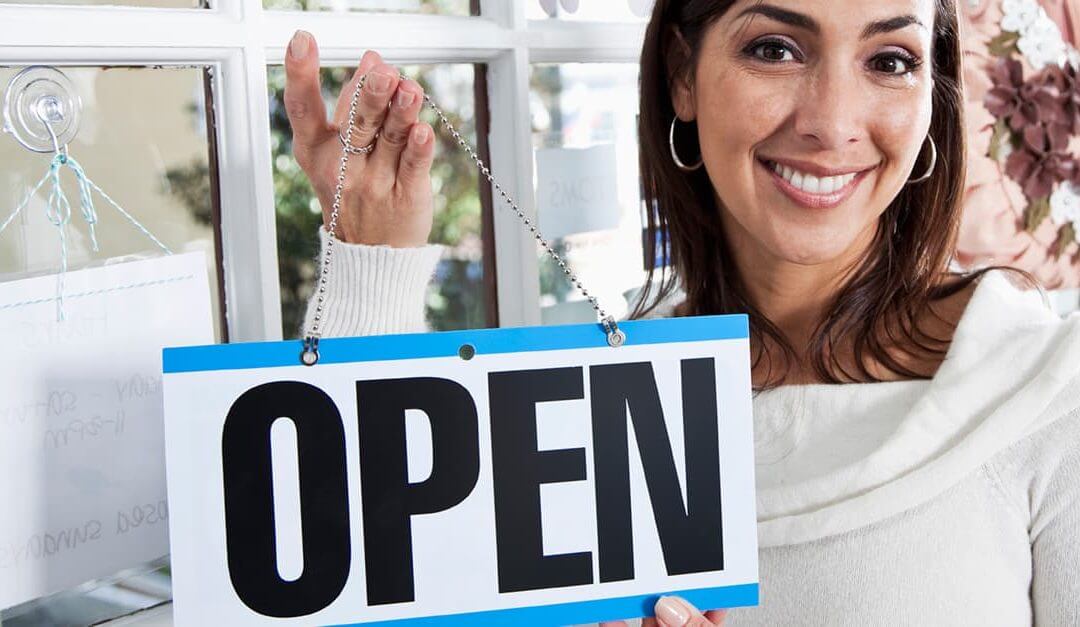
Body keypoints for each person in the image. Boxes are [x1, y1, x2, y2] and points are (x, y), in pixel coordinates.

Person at [281, 1, 1080, 624]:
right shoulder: (593, 404)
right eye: (776, 47)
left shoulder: (1045, 385)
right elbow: (360, 571)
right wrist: (369, 263)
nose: (832, 122)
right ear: (683, 74)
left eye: (891, 59)